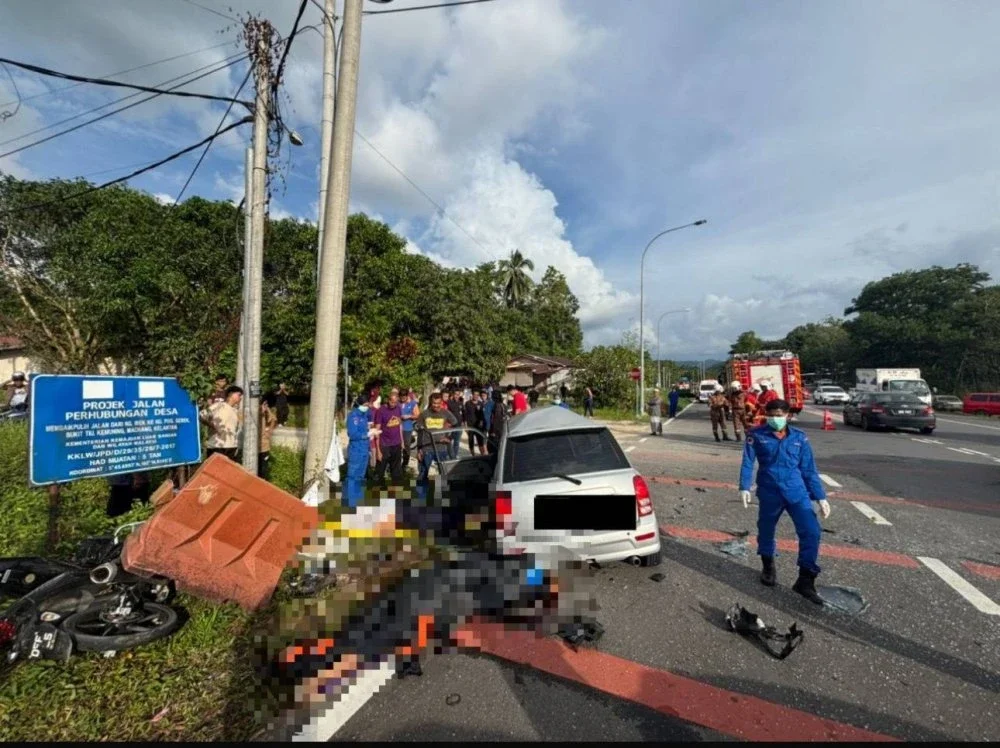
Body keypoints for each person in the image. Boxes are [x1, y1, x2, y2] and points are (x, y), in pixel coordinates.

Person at [740, 399, 830, 605]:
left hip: (796, 491)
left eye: (779, 415)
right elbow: (747, 462)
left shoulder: (800, 438)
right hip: (770, 490)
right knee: (766, 529)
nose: (775, 419)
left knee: (812, 531)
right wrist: (744, 486)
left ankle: (806, 579)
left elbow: (809, 469)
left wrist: (820, 496)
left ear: (788, 415)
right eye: (770, 415)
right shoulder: (756, 435)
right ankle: (768, 566)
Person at [414, 393, 459, 495]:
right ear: (431, 402)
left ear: (441, 402)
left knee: (443, 473)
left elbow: (456, 424)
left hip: (441, 448)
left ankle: (442, 495)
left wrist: (449, 437)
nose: (436, 405)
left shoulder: (446, 413)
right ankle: (421, 496)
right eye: (434, 403)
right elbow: (419, 433)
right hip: (427, 448)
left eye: (438, 403)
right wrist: (419, 450)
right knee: (423, 473)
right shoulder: (424, 414)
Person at [345, 395, 377, 508]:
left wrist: (370, 431)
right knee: (353, 477)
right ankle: (350, 502)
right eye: (365, 405)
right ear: (359, 404)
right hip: (356, 451)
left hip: (364, 450)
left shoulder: (364, 415)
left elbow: (365, 428)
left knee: (361, 476)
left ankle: (359, 500)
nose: (367, 407)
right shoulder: (353, 416)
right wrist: (367, 434)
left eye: (368, 405)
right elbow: (352, 434)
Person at [200, 385, 243, 460]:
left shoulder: (235, 411)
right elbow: (201, 415)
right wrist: (212, 426)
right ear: (231, 394)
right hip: (217, 446)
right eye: (239, 395)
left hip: (231, 446)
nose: (240, 398)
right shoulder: (219, 405)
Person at [374, 390, 405, 485]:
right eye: (392, 401)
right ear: (388, 400)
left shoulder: (398, 408)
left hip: (396, 443)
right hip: (384, 444)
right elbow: (377, 430)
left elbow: (399, 425)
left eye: (396, 402)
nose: (393, 404)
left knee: (396, 469)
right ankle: (377, 488)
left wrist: (402, 441)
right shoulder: (381, 411)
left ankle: (395, 488)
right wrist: (378, 450)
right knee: (380, 469)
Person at [400, 389, 421, 468]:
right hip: (397, 428)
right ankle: (396, 464)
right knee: (397, 446)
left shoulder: (412, 403)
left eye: (404, 397)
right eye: (401, 397)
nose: (403, 399)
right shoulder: (398, 403)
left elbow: (418, 415)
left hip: (407, 428)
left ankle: (405, 464)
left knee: (407, 446)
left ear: (407, 396)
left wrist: (409, 416)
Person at [259, 398, 278, 481]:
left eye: (267, 405)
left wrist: (267, 410)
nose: (265, 406)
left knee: (264, 469)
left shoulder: (266, 414)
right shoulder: (255, 414)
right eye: (264, 404)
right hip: (254, 447)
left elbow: (274, 420)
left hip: (264, 447)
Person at [464, 391, 486, 456]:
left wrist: (481, 422)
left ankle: (482, 455)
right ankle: (473, 455)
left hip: (479, 425)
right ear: (472, 395)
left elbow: (482, 414)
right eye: (475, 394)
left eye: (477, 395)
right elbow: (465, 414)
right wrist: (465, 425)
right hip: (470, 425)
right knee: (471, 440)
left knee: (480, 440)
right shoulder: (467, 403)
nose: (476, 396)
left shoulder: (481, 403)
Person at [487, 389, 508, 455]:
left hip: (497, 431)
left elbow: (496, 418)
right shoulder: (503, 405)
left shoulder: (497, 405)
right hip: (502, 428)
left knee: (493, 448)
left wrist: (493, 431)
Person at [446, 390, 465, 459]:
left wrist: (464, 421)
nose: (457, 396)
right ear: (453, 395)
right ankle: (448, 455)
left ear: (459, 395)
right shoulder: (449, 403)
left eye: (458, 394)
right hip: (451, 426)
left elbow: (464, 413)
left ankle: (454, 456)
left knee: (457, 442)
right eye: (455, 394)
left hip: (459, 425)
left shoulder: (461, 403)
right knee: (448, 441)